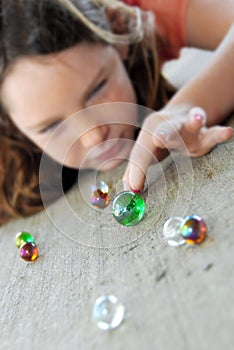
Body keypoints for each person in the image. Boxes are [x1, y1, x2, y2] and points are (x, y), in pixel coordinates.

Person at [0, 0, 233, 225]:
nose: (93, 136)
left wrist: (189, 103)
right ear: (12, 126)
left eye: (97, 89)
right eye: (50, 126)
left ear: (118, 34)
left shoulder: (139, 14)